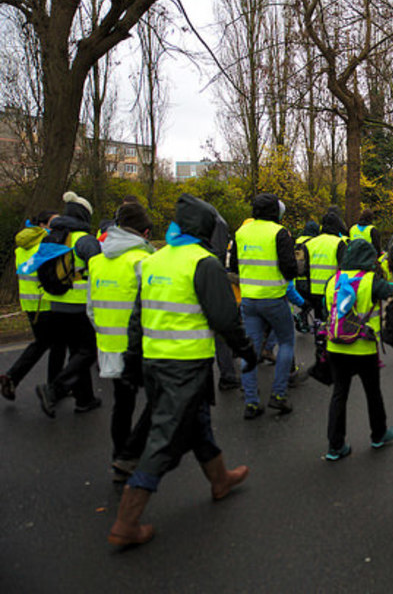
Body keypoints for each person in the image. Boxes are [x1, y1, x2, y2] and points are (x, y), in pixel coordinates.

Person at [108, 194, 257, 547]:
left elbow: (136, 317)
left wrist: (131, 362)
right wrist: (246, 352)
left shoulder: (154, 260)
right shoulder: (204, 263)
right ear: (206, 230)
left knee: (198, 424)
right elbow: (225, 318)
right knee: (165, 439)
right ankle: (127, 522)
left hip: (154, 362)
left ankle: (220, 479)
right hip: (186, 364)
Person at [86, 202, 157, 482]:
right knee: (159, 401)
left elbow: (91, 309)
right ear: (146, 232)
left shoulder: (97, 261)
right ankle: (133, 455)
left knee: (123, 404)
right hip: (142, 347)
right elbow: (152, 306)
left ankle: (120, 456)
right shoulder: (143, 261)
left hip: (110, 347)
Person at [322, 239, 393, 460]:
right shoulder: (370, 280)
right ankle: (378, 434)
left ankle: (335, 446)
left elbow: (326, 309)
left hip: (335, 345)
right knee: (372, 392)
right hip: (363, 347)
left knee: (339, 394)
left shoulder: (333, 280)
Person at [231, 194, 299, 419]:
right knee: (287, 341)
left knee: (250, 350)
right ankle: (278, 395)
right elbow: (289, 269)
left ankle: (251, 402)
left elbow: (233, 265)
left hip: (249, 300)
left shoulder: (241, 233)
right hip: (274, 298)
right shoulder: (278, 232)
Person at [35, 191, 102, 417]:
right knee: (88, 352)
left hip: (54, 303)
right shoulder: (84, 239)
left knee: (77, 353)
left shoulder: (52, 236)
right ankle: (53, 389)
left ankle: (85, 399)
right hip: (78, 306)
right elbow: (98, 270)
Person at [0, 211, 67, 402]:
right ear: (43, 225)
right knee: (53, 343)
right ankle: (21, 378)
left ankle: (19, 379)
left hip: (29, 302)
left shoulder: (21, 247)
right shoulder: (44, 246)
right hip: (44, 302)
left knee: (47, 342)